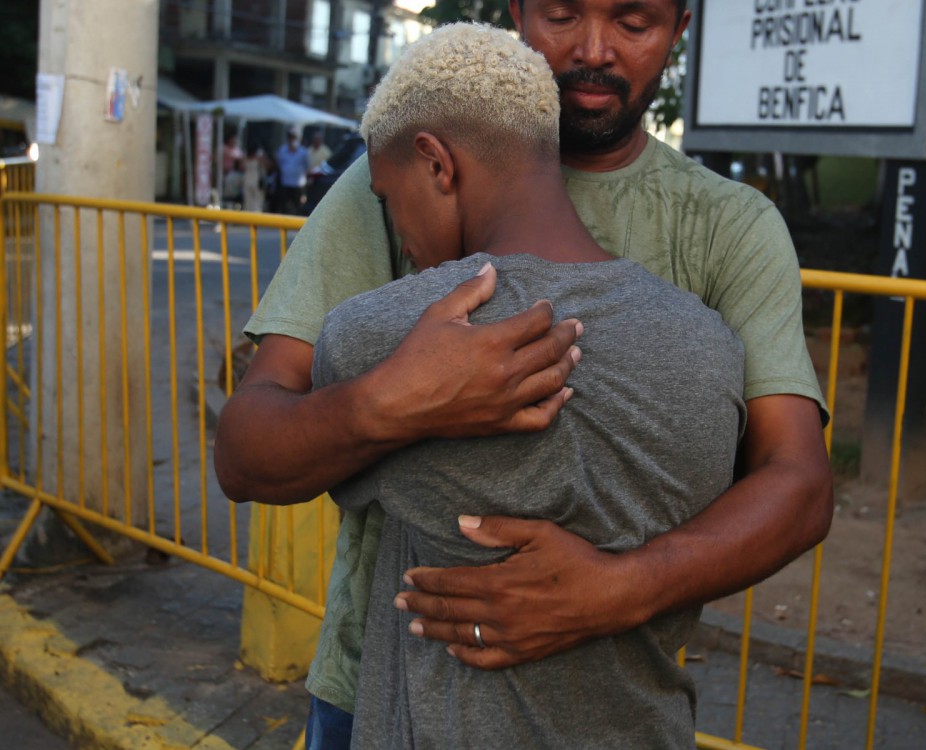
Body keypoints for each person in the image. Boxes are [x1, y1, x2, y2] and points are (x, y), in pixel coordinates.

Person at [213, 0, 834, 743]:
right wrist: (388, 404)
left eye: (633, 22)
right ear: (518, 12)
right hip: (379, 690)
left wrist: (617, 590)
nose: (594, 49)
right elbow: (248, 452)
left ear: (679, 29)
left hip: (602, 704)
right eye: (563, 13)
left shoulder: (726, 226)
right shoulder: (396, 169)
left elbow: (797, 483)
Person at [314, 24, 746, 747]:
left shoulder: (378, 336)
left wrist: (393, 397)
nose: (401, 237)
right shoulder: (711, 351)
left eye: (389, 201)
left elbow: (263, 457)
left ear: (436, 163)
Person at [274, 127, 309, 214]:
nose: (292, 139)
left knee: (298, 206)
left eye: (294, 137)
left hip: (298, 184)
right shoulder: (282, 150)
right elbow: (279, 164)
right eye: (290, 137)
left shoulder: (303, 152)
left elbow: (307, 166)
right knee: (284, 205)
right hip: (285, 183)